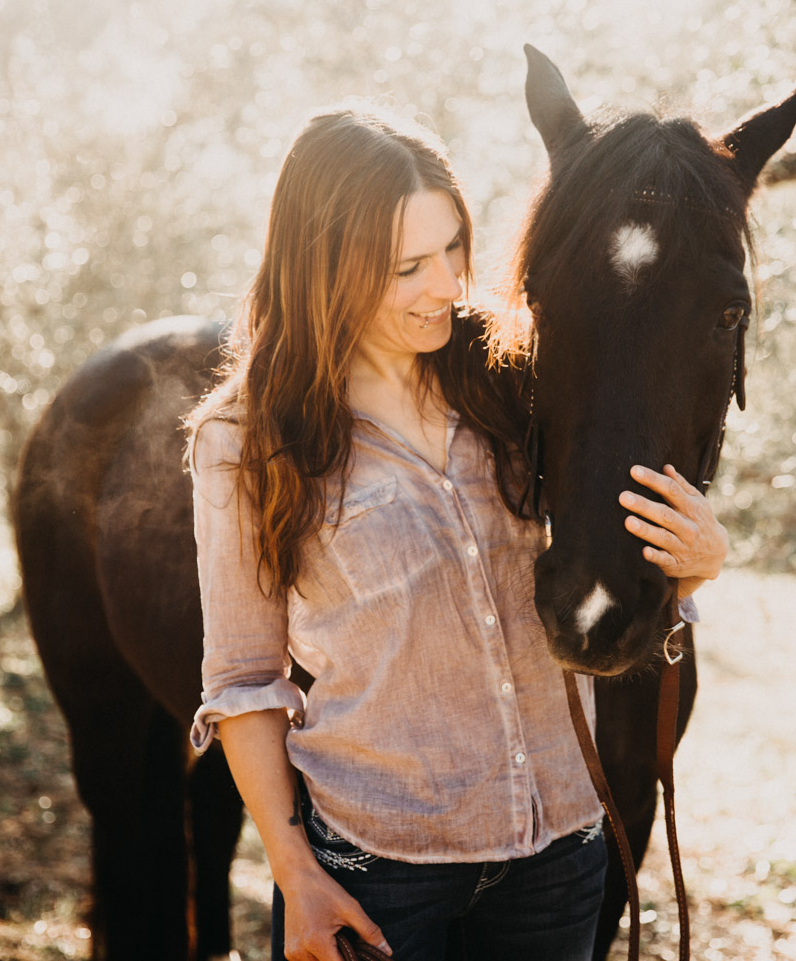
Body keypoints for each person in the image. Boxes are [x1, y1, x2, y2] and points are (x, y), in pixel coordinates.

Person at [185, 107, 728, 961]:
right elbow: (245, 678)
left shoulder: (509, 377)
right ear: (323, 266)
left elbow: (609, 517)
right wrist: (295, 873)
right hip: (380, 872)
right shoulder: (245, 440)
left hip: (559, 852)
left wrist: (697, 562)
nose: (447, 285)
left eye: (454, 249)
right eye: (408, 267)